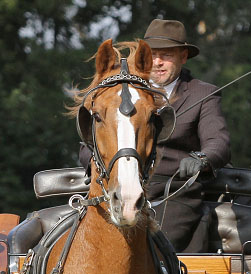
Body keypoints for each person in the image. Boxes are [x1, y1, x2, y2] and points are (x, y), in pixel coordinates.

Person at [80, 18, 231, 252]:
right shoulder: (120, 92)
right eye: (154, 55)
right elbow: (90, 143)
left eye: (167, 55)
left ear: (183, 57)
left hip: (174, 191)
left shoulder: (204, 94)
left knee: (154, 247)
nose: (158, 63)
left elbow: (218, 141)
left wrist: (202, 159)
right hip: (115, 183)